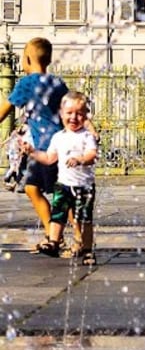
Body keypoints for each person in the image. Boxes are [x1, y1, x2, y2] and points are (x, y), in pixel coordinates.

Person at [0, 38, 68, 251]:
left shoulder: (26, 83)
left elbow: (4, 110)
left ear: (27, 59)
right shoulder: (57, 82)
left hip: (42, 147)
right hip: (62, 144)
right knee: (62, 191)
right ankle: (64, 235)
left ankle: (53, 233)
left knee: (32, 188)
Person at [21, 91, 98, 266]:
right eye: (69, 113)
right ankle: (54, 243)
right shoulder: (58, 137)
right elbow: (49, 158)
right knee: (57, 216)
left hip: (83, 187)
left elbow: (92, 155)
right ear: (61, 114)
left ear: (86, 115)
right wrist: (32, 152)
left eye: (79, 113)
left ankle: (87, 250)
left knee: (83, 220)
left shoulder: (86, 136)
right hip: (62, 185)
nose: (74, 117)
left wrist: (80, 159)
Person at [4, 120, 28, 190]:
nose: (21, 128)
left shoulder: (17, 134)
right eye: (20, 127)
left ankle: (13, 182)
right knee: (16, 168)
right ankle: (9, 180)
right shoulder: (16, 134)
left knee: (16, 168)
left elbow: (10, 140)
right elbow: (11, 140)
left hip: (15, 153)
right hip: (14, 153)